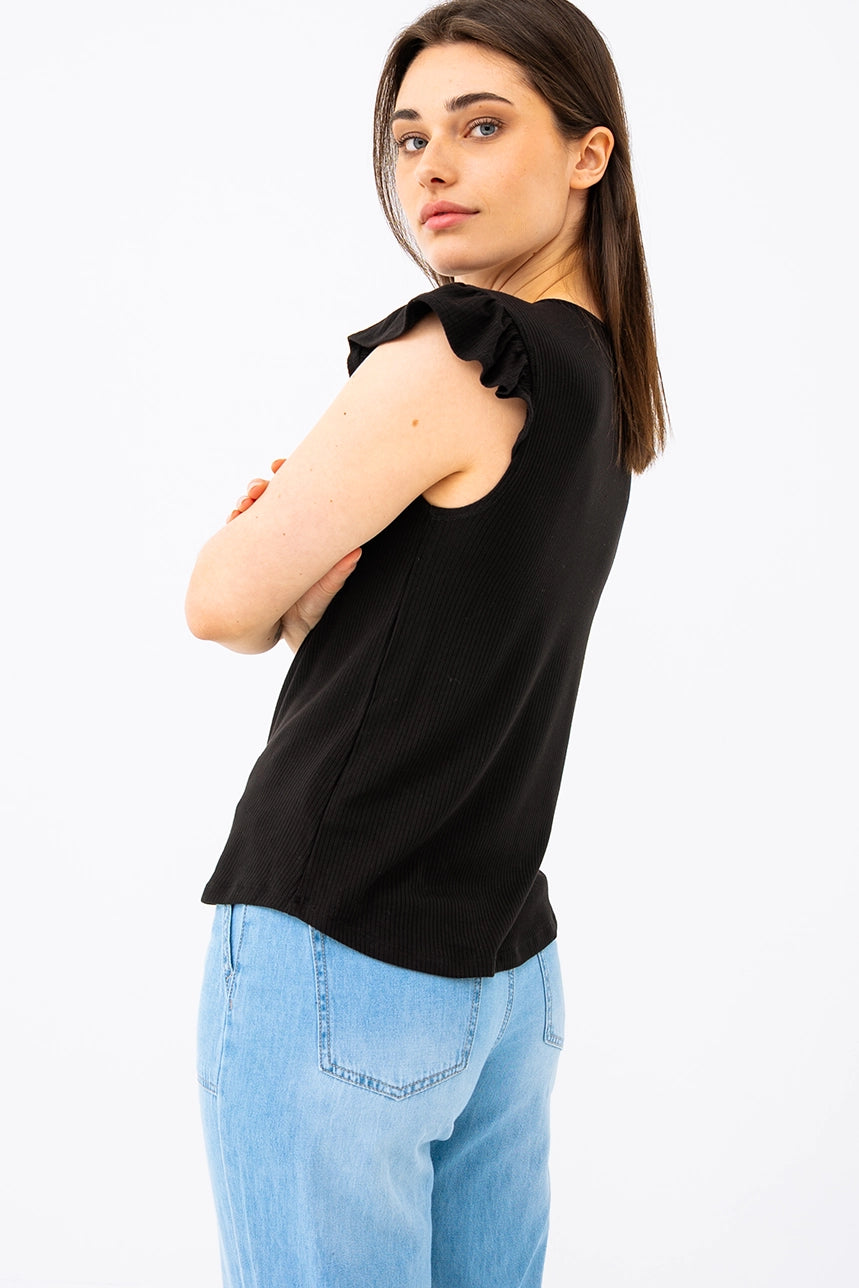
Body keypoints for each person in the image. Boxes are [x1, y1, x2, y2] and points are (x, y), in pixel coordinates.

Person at [185, 0, 667, 1283]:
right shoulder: (600, 387)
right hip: (502, 960)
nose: (432, 167)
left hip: (338, 943)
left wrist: (279, 569)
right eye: (407, 138)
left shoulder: (461, 354)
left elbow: (220, 601)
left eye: (481, 125)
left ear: (589, 153)